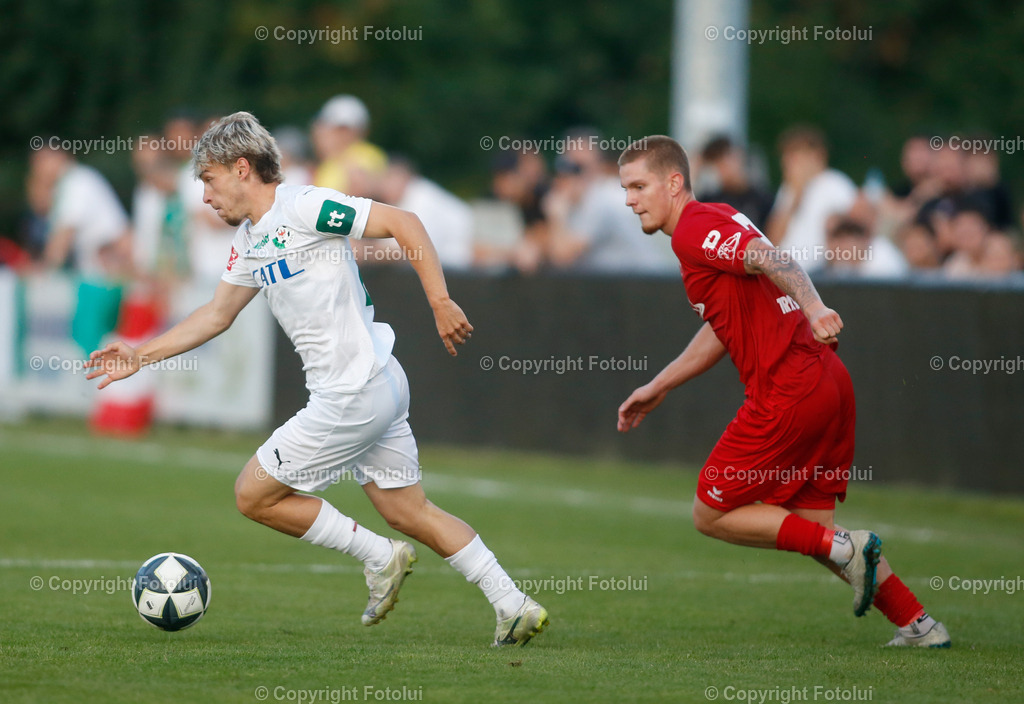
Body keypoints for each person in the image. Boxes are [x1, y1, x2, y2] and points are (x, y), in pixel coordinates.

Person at [86, 112, 548, 647]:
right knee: (408, 511)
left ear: (241, 169)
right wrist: (141, 355)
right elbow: (216, 314)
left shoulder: (304, 206)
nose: (205, 196)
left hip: (352, 391)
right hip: (377, 383)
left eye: (209, 180)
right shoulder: (251, 239)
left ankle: (378, 556)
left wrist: (440, 300)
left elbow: (405, 222)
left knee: (253, 495)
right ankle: (513, 604)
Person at [614, 135, 950, 648]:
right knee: (814, 530)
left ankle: (850, 549)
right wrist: (660, 383)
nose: (630, 199)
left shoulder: (694, 230)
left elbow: (772, 258)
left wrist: (814, 307)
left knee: (711, 511)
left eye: (639, 186)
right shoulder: (715, 218)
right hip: (828, 382)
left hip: (789, 388)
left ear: (674, 183)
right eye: (626, 189)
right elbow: (722, 325)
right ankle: (919, 625)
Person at [765, 126, 857, 271]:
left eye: (795, 155)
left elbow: (848, 239)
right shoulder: (788, 189)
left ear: (817, 156)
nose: (787, 162)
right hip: (786, 272)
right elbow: (771, 241)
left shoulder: (836, 184)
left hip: (821, 274)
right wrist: (795, 197)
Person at [697, 135, 774, 231]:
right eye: (716, 162)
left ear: (739, 155)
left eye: (725, 157)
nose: (723, 166)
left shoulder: (762, 200)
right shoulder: (708, 202)